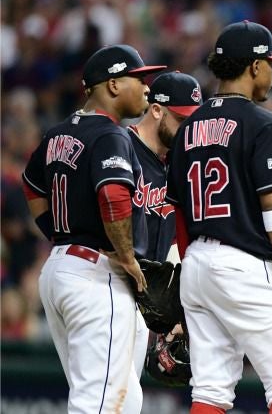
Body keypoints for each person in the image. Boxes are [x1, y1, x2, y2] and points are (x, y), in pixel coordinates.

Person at [165, 21, 272, 414]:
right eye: (268, 62)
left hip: (197, 263)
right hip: (245, 265)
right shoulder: (263, 124)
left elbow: (177, 212)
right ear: (252, 67)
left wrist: (187, 275)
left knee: (210, 390)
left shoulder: (187, 128)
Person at [22, 44, 165, 413]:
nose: (147, 88)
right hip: (96, 275)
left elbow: (32, 188)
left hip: (62, 268)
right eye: (139, 79)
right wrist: (128, 255)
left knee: (122, 398)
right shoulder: (109, 134)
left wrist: (60, 234)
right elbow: (114, 194)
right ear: (114, 85)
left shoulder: (57, 133)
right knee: (99, 403)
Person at [128, 70, 202, 382]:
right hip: (114, 282)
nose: (187, 130)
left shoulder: (178, 161)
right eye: (181, 119)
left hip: (149, 296)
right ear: (156, 110)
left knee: (126, 396)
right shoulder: (122, 148)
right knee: (114, 395)